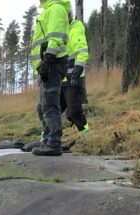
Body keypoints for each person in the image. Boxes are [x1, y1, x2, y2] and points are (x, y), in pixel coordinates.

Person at [30, 0, 71, 156]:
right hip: (47, 64)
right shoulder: (49, 10)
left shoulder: (55, 9)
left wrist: (48, 59)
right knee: (43, 107)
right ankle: (48, 140)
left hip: (53, 62)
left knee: (50, 105)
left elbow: (56, 36)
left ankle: (53, 143)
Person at [60, 9, 90, 139]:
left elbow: (82, 53)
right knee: (52, 111)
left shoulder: (75, 30)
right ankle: (47, 139)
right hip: (60, 80)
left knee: (75, 112)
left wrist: (76, 74)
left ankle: (88, 138)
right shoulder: (60, 33)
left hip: (73, 79)